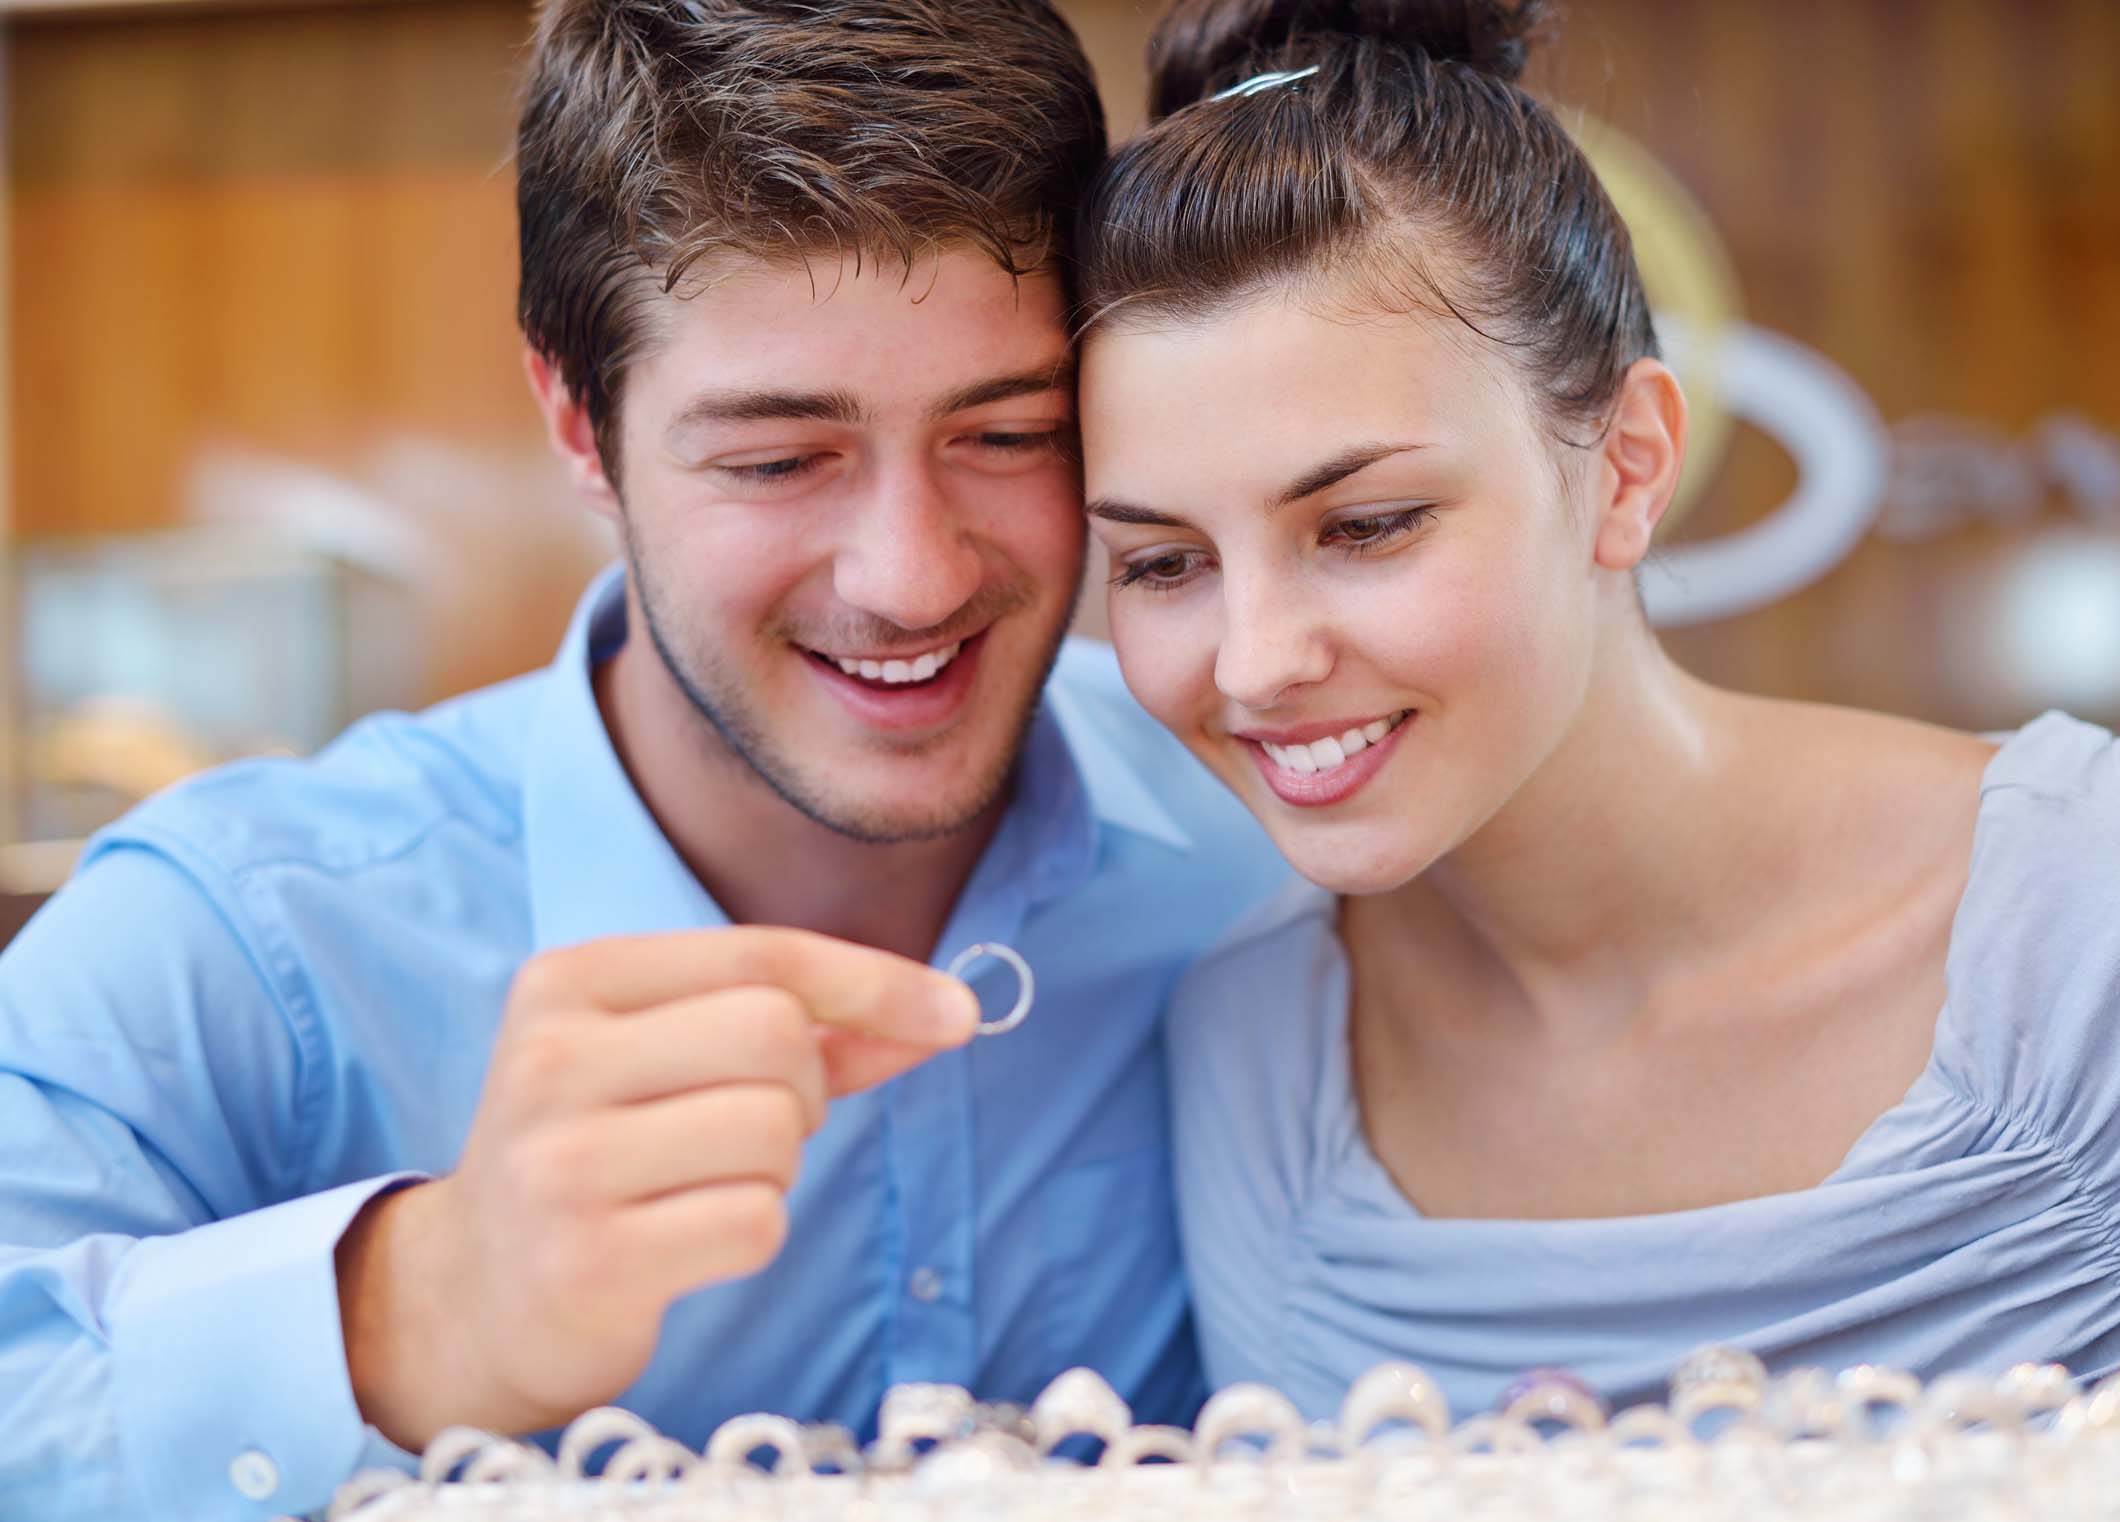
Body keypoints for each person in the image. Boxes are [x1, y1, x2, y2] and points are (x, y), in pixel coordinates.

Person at [0, 3, 1289, 1516]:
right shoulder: (233, 939)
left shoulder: (1269, 827)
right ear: (577, 420)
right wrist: (411, 1316)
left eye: (1008, 433)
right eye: (777, 458)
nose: (910, 576)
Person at [1074, 0, 2120, 1422]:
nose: (1253, 661)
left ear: (1627, 466)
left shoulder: (2084, 931)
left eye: (1367, 525)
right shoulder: (1249, 1048)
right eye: (1162, 563)